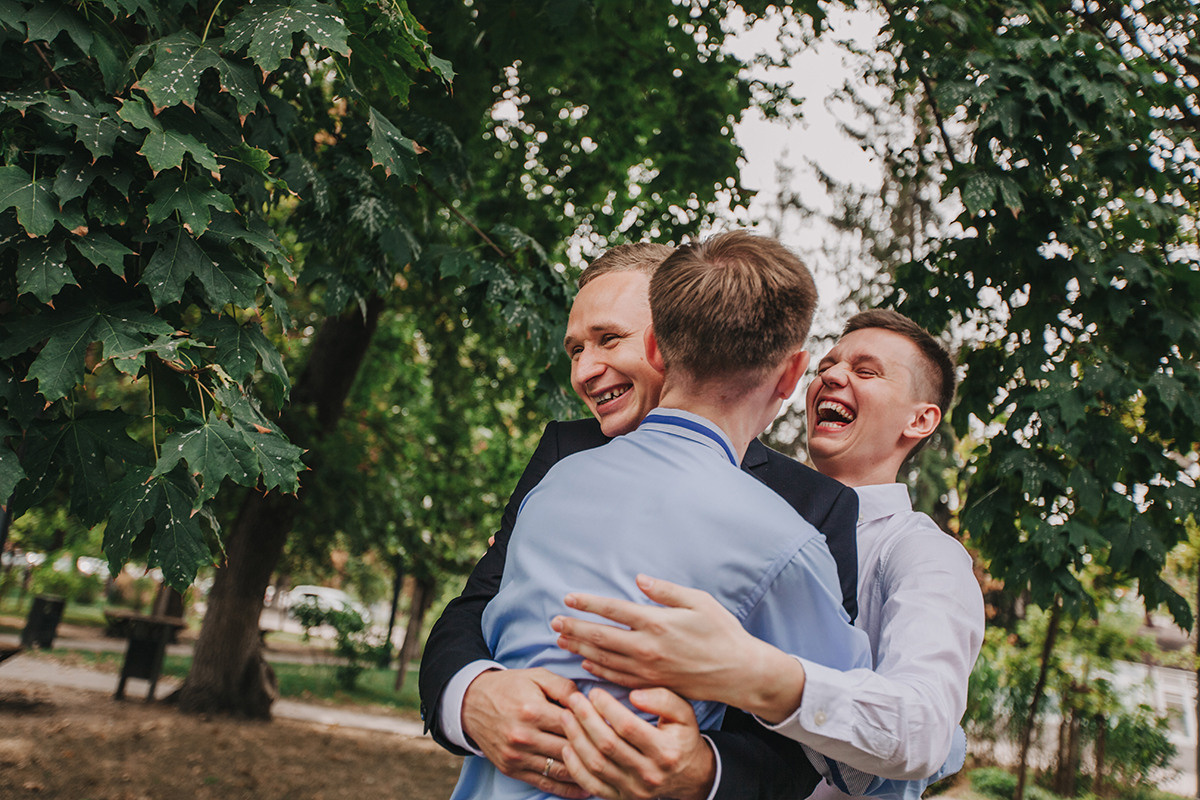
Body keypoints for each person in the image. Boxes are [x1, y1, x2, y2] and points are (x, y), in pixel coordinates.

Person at [447, 230, 879, 800]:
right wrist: (473, 695)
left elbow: (793, 759)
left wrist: (703, 770)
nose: (584, 371)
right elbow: (857, 747)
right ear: (792, 373)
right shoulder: (782, 540)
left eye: (607, 339)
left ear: (658, 348)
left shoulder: (558, 485)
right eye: (576, 349)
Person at [551, 309, 985, 800]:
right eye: (826, 366)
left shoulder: (924, 555)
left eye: (865, 372)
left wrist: (751, 673)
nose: (833, 376)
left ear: (921, 419)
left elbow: (923, 729)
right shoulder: (733, 505)